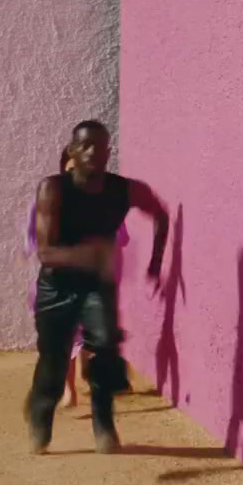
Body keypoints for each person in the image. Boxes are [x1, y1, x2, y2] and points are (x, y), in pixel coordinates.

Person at [25, 120, 169, 454]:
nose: (93, 151)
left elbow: (161, 214)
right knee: (54, 358)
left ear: (108, 151)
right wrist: (92, 253)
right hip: (56, 286)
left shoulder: (125, 189)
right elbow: (45, 251)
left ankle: (104, 425)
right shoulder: (53, 188)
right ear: (73, 151)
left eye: (101, 145)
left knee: (104, 347)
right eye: (85, 145)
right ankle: (40, 419)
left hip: (96, 285)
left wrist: (155, 264)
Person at [23, 148, 130, 409]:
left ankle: (96, 381)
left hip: (93, 282)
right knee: (64, 338)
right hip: (60, 283)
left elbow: (121, 237)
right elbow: (33, 239)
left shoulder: (102, 203)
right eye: (71, 170)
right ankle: (68, 390)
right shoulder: (47, 202)